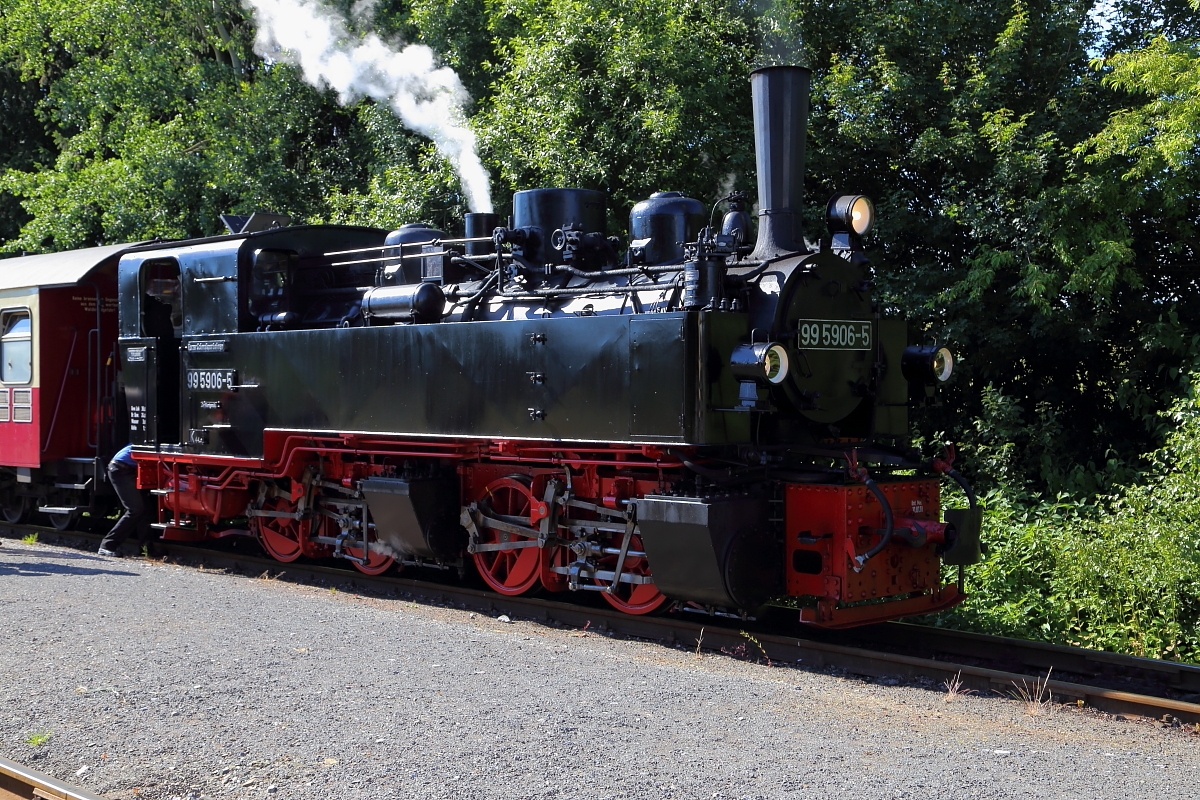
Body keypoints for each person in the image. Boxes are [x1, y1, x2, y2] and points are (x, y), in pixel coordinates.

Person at [97, 445, 153, 557]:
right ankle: (107, 546)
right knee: (135, 509)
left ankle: (146, 549)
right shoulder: (145, 440)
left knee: (147, 509)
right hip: (121, 470)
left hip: (129, 470)